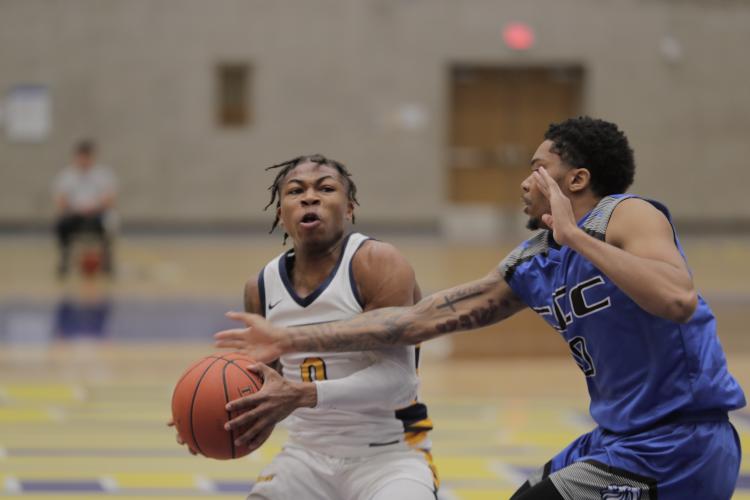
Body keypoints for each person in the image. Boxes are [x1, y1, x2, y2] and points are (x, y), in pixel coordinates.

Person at [216, 118, 745, 500]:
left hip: (680, 441)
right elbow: (416, 321)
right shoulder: (534, 263)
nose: (523, 182)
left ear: (575, 181)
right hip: (619, 441)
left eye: (537, 169)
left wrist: (577, 237)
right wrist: (293, 339)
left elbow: (677, 299)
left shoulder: (625, 214)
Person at [181, 154, 438, 500]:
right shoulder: (261, 286)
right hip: (305, 457)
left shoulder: (377, 263)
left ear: (349, 209)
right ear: (280, 214)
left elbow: (400, 382)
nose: (310, 197)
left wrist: (306, 395)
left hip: (390, 455)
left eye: (326, 188)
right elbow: (267, 390)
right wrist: (207, 419)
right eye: (295, 190)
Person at [52, 140, 117, 277]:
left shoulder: (103, 175)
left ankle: (107, 262)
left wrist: (94, 208)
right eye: (81, 156)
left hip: (97, 214)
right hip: (74, 214)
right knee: (61, 224)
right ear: (76, 157)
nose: (84, 160)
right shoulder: (66, 176)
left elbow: (109, 200)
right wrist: (76, 209)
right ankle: (64, 259)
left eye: (87, 157)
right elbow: (61, 201)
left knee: (110, 223)